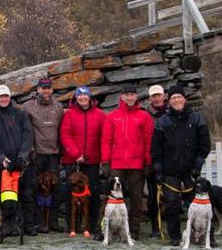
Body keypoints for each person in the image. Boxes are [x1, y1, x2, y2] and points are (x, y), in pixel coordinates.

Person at [151, 85, 211, 246]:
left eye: (179, 97)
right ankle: (175, 237)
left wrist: (198, 163)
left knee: (198, 205)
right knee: (171, 205)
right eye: (173, 98)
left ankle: (205, 236)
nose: (176, 100)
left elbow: (205, 144)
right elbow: (155, 148)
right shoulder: (162, 122)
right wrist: (158, 168)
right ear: (168, 101)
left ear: (184, 99)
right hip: (169, 171)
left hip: (191, 170)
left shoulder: (196, 118)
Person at [100, 85, 154, 240]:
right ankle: (105, 229)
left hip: (136, 165)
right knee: (111, 198)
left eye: (132, 94)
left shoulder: (144, 116)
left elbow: (148, 141)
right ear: (122, 97)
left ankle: (134, 230)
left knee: (137, 199)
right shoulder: (112, 116)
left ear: (136, 97)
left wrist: (148, 162)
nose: (129, 97)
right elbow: (106, 141)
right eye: (127, 95)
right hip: (116, 164)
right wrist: (105, 162)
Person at [0, 84, 35, 235]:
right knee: (7, 197)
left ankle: (28, 225)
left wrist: (22, 156)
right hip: (4, 165)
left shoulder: (21, 114)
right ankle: (9, 226)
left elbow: (28, 135)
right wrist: (1, 158)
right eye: (1, 96)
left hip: (22, 162)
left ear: (10, 97)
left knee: (27, 194)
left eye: (6, 96)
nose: (4, 99)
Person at [58, 86, 105, 236]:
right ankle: (72, 226)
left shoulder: (100, 114)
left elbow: (104, 136)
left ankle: (90, 225)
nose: (83, 98)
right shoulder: (69, 114)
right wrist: (76, 154)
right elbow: (65, 135)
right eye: (80, 96)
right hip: (72, 160)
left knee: (93, 193)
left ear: (90, 97)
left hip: (92, 160)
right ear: (76, 98)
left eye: (85, 95)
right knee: (70, 193)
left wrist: (102, 156)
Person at [20, 77, 65, 233]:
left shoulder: (59, 107)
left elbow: (62, 130)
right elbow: (24, 130)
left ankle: (52, 221)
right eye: (43, 88)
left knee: (55, 189)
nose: (46, 91)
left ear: (52, 90)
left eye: (48, 88)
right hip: (36, 154)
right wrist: (29, 150)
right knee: (34, 189)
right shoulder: (27, 107)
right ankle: (38, 222)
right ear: (37, 90)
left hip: (53, 154)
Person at [144, 84, 168, 238]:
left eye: (159, 95)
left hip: (171, 159)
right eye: (154, 96)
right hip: (153, 160)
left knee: (172, 196)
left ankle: (173, 227)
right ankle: (155, 228)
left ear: (164, 96)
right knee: (153, 196)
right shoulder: (146, 115)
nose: (157, 98)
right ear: (150, 98)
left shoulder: (171, 111)